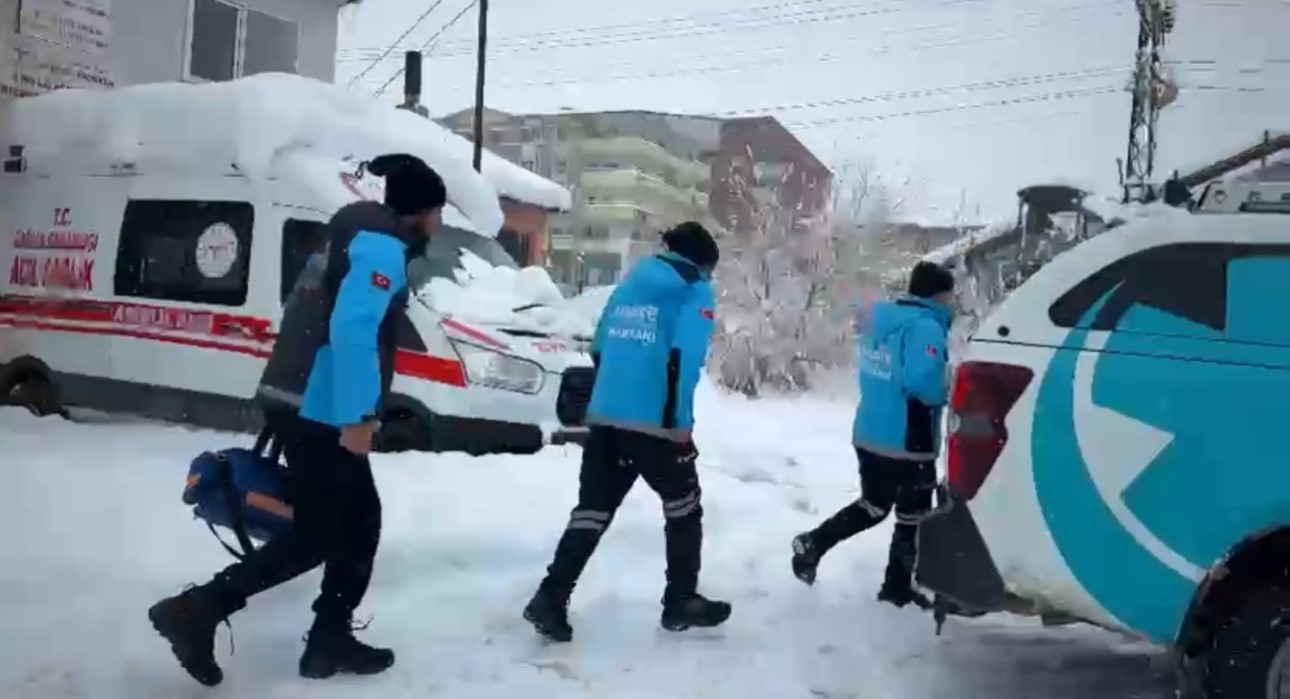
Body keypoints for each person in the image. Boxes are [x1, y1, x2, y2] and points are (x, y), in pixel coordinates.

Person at [147, 153, 446, 686]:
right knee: (325, 531)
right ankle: (198, 610)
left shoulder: (349, 234)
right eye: (437, 213)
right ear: (420, 213)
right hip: (323, 407)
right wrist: (357, 415)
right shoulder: (381, 246)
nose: (439, 224)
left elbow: (308, 310)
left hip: (301, 396)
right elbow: (353, 328)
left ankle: (327, 640)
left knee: (353, 523)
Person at [523, 222, 732, 643]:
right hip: (654, 421)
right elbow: (684, 359)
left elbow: (598, 347)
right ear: (702, 262)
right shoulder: (693, 290)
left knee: (593, 509)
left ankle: (551, 596)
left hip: (605, 415)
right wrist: (677, 425)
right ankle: (680, 600)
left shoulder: (628, 286)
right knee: (685, 506)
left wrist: (615, 397)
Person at [789, 260, 955, 609]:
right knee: (913, 515)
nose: (952, 302)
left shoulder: (881, 320)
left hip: (870, 431)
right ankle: (896, 589)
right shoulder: (925, 328)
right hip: (908, 439)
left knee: (875, 505)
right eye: (949, 295)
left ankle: (814, 543)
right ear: (938, 295)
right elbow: (922, 383)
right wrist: (950, 387)